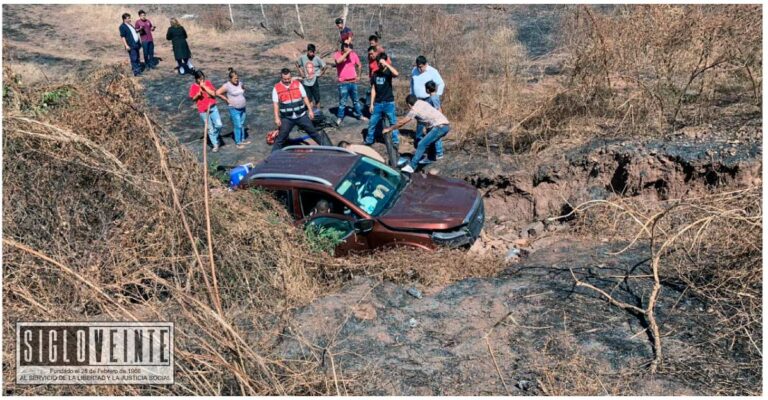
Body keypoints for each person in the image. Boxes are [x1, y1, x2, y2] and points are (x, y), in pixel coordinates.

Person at [384, 95, 450, 173]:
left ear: (409, 104)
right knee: (430, 140)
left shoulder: (414, 110)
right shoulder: (421, 102)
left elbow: (402, 122)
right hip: (445, 125)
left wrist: (389, 129)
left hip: (440, 127)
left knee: (421, 144)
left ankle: (412, 166)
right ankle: (430, 158)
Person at [271, 68, 329, 152]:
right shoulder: (276, 88)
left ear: (291, 77)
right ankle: (273, 156)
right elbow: (275, 104)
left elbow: (305, 98)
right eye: (285, 79)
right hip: (287, 118)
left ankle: (329, 149)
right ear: (281, 78)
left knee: (313, 133)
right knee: (281, 138)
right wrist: (276, 118)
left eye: (288, 78)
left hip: (301, 116)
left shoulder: (297, 84)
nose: (287, 80)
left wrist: (310, 110)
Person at [410, 56, 446, 160]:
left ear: (426, 64)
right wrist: (412, 96)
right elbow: (412, 84)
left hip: (428, 100)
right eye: (418, 67)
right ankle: (420, 145)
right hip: (418, 100)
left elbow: (441, 83)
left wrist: (436, 96)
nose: (420, 69)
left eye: (421, 67)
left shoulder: (432, 71)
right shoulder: (414, 71)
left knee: (432, 125)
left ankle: (438, 151)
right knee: (420, 124)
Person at [366, 52, 400, 149]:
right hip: (378, 103)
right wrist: (371, 104)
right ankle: (369, 140)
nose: (380, 64)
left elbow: (396, 74)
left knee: (393, 121)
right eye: (378, 63)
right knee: (372, 122)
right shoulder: (375, 74)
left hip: (388, 102)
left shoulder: (388, 72)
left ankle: (395, 140)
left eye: (381, 63)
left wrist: (386, 64)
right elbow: (373, 89)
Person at [216, 68, 251, 149]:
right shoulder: (227, 86)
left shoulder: (240, 83)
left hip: (242, 108)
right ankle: (238, 143)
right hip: (234, 109)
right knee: (237, 125)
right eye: (235, 78)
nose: (237, 80)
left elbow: (243, 89)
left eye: (237, 78)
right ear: (230, 78)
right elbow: (217, 93)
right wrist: (226, 99)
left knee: (241, 124)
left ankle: (242, 140)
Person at [189, 70, 223, 152]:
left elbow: (213, 93)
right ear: (196, 79)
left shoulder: (207, 83)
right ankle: (215, 144)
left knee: (219, 125)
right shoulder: (193, 87)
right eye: (200, 79)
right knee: (210, 128)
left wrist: (204, 87)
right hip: (203, 110)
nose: (202, 80)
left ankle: (213, 136)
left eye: (203, 78)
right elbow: (192, 98)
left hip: (212, 107)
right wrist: (198, 94)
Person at [333, 42, 365, 126]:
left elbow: (359, 65)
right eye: (346, 46)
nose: (348, 48)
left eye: (349, 46)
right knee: (342, 102)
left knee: (356, 101)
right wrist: (347, 52)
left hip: (353, 82)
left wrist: (359, 76)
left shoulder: (354, 55)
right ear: (342, 47)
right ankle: (340, 117)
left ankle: (359, 115)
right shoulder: (337, 54)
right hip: (343, 83)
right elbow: (338, 61)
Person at [295, 43, 327, 111]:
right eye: (311, 52)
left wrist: (320, 74)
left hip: (314, 80)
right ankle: (311, 112)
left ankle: (318, 112)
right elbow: (297, 64)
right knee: (309, 98)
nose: (312, 54)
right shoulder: (303, 58)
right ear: (308, 51)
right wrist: (301, 72)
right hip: (306, 81)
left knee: (317, 98)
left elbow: (325, 66)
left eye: (313, 52)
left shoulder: (316, 58)